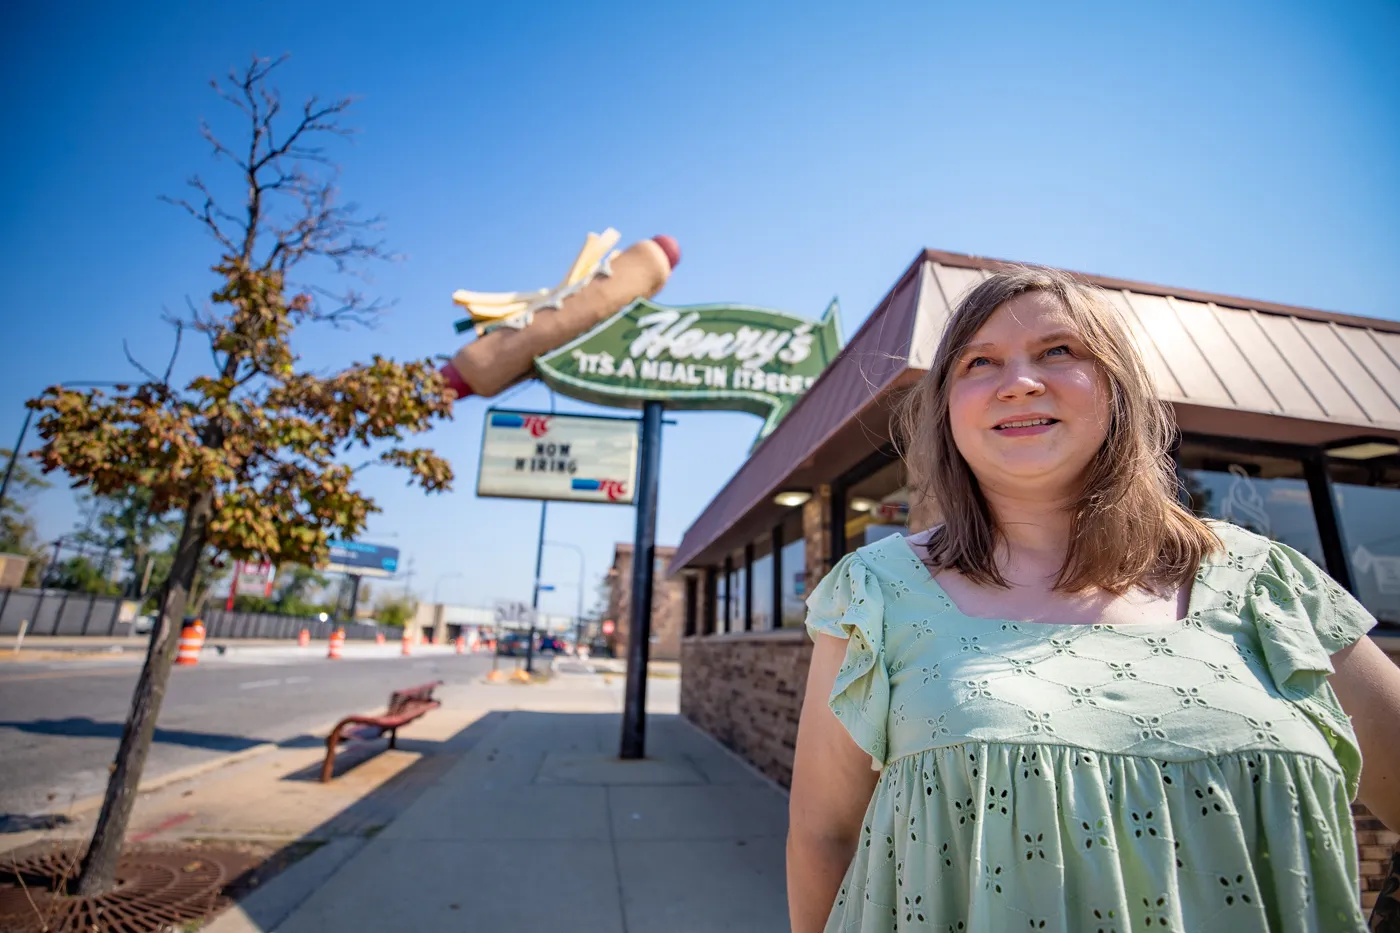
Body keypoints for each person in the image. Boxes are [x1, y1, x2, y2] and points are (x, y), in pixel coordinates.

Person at [786, 267, 1400, 932]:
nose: (1018, 380)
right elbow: (824, 838)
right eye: (979, 361)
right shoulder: (875, 591)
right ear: (946, 410)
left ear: (1118, 388)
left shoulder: (1266, 582)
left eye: (1058, 351)